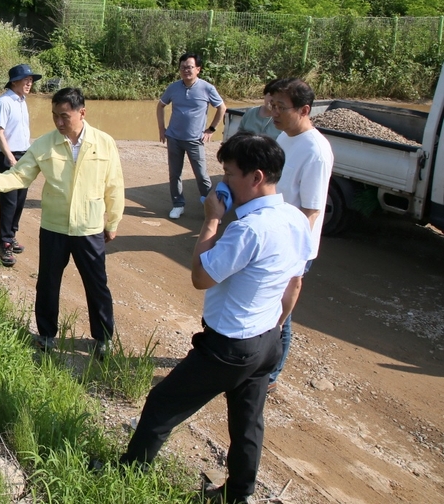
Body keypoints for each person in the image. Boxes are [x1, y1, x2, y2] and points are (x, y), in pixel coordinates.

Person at [120, 131, 312, 504]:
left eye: (229, 174)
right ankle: (238, 495)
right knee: (247, 422)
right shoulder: (295, 219)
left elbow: (200, 277)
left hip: (229, 346)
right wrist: (275, 327)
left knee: (162, 403)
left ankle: (127, 473)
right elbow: (295, 285)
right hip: (267, 340)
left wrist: (210, 222)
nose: (224, 182)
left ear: (256, 177)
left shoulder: (247, 229)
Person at [0, 87, 124, 353]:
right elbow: (19, 175)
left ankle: (103, 338)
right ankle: (46, 335)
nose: (59, 122)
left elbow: (114, 186)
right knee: (48, 282)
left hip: (88, 227)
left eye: (65, 116)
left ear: (82, 113)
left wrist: (112, 223)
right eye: (55, 116)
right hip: (54, 227)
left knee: (97, 284)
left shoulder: (104, 143)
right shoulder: (44, 144)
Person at [267, 78, 334, 393]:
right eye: (273, 105)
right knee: (267, 304)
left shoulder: (316, 151)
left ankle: (270, 374)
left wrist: (293, 258)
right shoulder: (285, 136)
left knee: (282, 311)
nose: (273, 112)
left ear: (305, 110)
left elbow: (311, 211)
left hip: (293, 246)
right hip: (274, 237)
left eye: (281, 107)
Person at [157, 53, 227, 219]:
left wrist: (211, 129)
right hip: (174, 138)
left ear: (198, 69)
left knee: (202, 176)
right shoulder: (173, 87)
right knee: (175, 174)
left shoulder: (207, 88)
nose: (185, 70)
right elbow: (160, 106)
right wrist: (162, 129)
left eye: (189, 67)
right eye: (182, 67)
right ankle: (178, 204)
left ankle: (212, 207)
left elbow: (222, 108)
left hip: (195, 140)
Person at [0, 64, 41, 267]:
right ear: (14, 81)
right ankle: (3, 243)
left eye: (31, 80)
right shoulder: (3, 102)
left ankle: (11, 236)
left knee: (20, 200)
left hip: (24, 155)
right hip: (8, 156)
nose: (29, 83)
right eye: (26, 79)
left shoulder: (22, 101)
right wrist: (11, 158)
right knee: (9, 202)